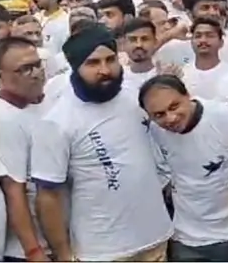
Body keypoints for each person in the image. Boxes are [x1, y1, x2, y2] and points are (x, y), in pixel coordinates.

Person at [31, 23, 173, 261]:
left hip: (155, 239)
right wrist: (64, 255)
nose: (105, 70)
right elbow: (48, 196)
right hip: (102, 251)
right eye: (93, 63)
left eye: (110, 60)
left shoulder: (135, 97)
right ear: (75, 67)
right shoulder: (57, 121)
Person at [139, 75, 228, 262]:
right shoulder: (156, 131)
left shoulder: (227, 118)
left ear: (188, 95)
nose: (170, 118)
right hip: (185, 237)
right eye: (159, 114)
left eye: (174, 106)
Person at [0, 37, 49, 261]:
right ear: (1, 76)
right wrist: (34, 251)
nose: (36, 73)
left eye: (37, 65)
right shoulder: (3, 119)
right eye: (25, 69)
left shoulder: (43, 104)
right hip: (27, 251)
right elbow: (14, 189)